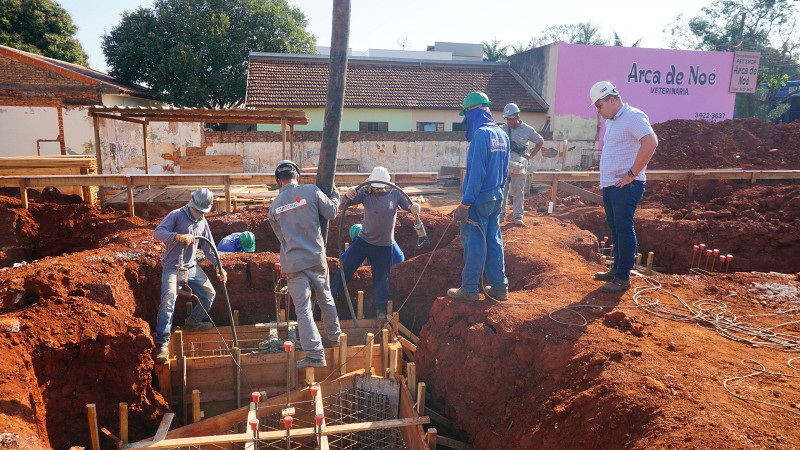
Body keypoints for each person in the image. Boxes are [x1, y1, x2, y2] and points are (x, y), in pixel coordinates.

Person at [268, 160, 342, 368]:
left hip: (292, 262)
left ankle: (315, 354)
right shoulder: (311, 191)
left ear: (278, 181)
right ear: (297, 177)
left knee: (303, 310)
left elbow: (281, 237)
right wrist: (335, 194)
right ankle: (335, 339)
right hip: (315, 258)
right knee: (325, 299)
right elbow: (332, 213)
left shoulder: (274, 207)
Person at [589, 81, 658, 293]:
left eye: (599, 106)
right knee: (616, 228)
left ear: (611, 100)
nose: (598, 111)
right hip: (612, 185)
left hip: (626, 186)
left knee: (624, 229)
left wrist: (631, 174)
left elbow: (650, 142)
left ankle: (622, 278)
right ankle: (616, 270)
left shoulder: (633, 116)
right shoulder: (613, 121)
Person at [330, 167, 421, 322]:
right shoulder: (366, 193)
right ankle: (331, 296)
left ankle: (380, 310)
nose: (378, 191)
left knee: (381, 279)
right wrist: (347, 195)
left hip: (384, 246)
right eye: (375, 188)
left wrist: (416, 207)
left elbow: (410, 207)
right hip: (364, 241)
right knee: (346, 267)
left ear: (388, 185)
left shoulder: (396, 194)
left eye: (381, 188)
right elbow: (342, 204)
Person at [152, 187, 228, 363]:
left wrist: (219, 266)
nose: (199, 213)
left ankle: (193, 322)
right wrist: (177, 236)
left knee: (209, 293)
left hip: (191, 267)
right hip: (172, 267)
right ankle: (162, 343)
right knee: (168, 301)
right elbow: (158, 233)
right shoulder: (176, 215)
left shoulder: (202, 221)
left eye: (203, 211)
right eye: (197, 209)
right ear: (191, 204)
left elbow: (209, 248)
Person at [448, 92, 509, 301]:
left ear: (472, 113)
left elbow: (476, 174)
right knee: (493, 241)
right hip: (496, 196)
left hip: (479, 198)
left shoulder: (481, 135)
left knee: (474, 241)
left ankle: (469, 288)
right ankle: (500, 288)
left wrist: (465, 204)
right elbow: (505, 171)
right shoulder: (502, 135)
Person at [500, 103, 544, 225]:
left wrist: (531, 155)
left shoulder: (527, 130)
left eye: (511, 119)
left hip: (519, 166)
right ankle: (500, 216)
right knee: (502, 190)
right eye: (507, 119)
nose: (509, 121)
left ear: (517, 117)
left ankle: (518, 217)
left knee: (518, 191)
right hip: (504, 165)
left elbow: (540, 141)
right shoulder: (502, 129)